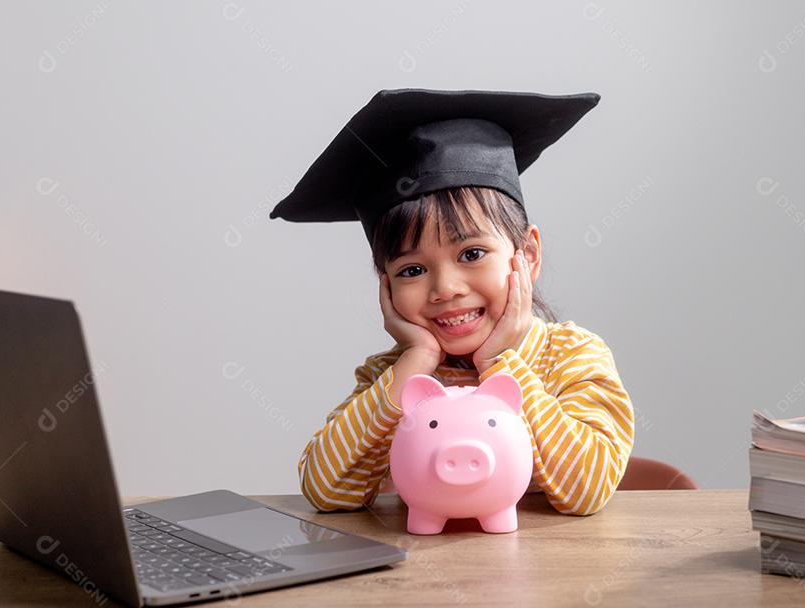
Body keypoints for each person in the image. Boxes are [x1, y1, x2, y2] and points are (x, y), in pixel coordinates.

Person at [271, 89, 634, 516]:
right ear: (385, 285)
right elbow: (324, 493)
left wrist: (501, 361)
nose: (445, 288)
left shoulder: (572, 357)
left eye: (472, 254)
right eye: (411, 270)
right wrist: (415, 362)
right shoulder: (389, 376)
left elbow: (588, 492)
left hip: (545, 575)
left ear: (527, 255)